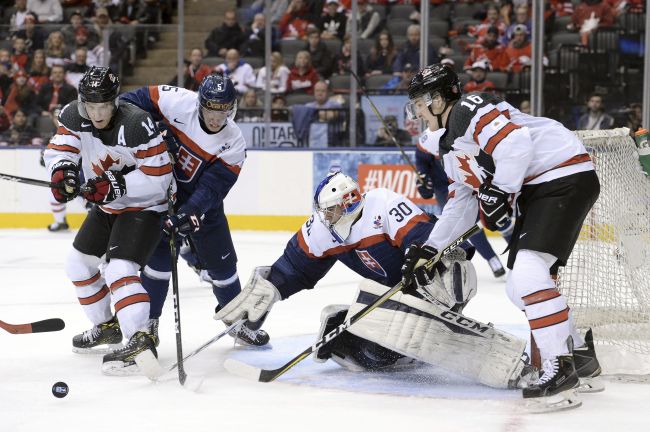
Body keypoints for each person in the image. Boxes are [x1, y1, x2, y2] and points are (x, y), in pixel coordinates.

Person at [403, 64, 602, 405]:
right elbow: (461, 202)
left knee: (527, 275)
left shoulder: (469, 109)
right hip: (542, 187)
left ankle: (561, 367)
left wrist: (500, 189)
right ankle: (580, 355)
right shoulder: (450, 147)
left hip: (561, 174)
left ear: (438, 100)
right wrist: (429, 248)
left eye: (420, 103)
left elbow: (515, 142)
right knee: (517, 288)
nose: (417, 112)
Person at [216, 172, 485, 373]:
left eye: (330, 210)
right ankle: (364, 333)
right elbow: (294, 267)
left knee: (455, 270)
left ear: (347, 203)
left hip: (418, 285)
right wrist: (269, 290)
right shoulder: (322, 230)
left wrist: (425, 261)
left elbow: (422, 236)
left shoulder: (382, 204)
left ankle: (444, 320)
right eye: (324, 211)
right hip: (389, 298)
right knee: (372, 355)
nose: (325, 217)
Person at [121, 74, 270, 347]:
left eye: (223, 111)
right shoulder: (177, 101)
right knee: (158, 264)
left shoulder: (234, 142)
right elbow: (127, 103)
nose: (216, 118)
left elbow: (213, 188)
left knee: (224, 267)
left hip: (203, 206)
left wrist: (189, 213)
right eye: (211, 110)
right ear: (200, 103)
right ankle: (148, 328)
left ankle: (236, 322)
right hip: (162, 192)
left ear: (232, 108)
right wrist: (153, 131)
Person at [43, 66, 173, 374]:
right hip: (108, 207)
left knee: (119, 269)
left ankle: (140, 339)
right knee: (78, 264)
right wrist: (63, 171)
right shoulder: (74, 116)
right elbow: (61, 149)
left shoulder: (137, 123)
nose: (97, 112)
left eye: (104, 105)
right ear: (82, 101)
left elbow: (161, 178)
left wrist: (117, 184)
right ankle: (108, 326)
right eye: (91, 105)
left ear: (115, 101)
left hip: (145, 207)